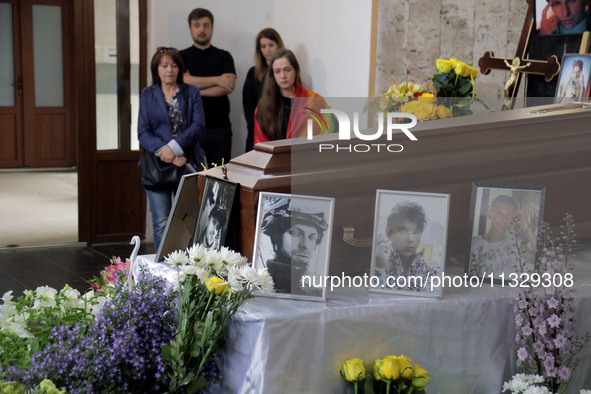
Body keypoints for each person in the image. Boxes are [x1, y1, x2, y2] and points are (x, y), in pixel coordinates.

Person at [138, 47, 205, 253]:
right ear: (156, 69)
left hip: (187, 162)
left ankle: (190, 270)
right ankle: (164, 269)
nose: (169, 70)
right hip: (157, 166)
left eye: (174, 65)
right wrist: (166, 152)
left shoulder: (191, 92)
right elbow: (143, 131)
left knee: (189, 221)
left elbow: (198, 125)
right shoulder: (148, 94)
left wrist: (175, 149)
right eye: (164, 65)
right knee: (161, 222)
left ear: (180, 69)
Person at [180, 8, 236, 167]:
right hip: (189, 128)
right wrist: (218, 79)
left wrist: (192, 84)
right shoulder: (181, 57)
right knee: (191, 180)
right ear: (190, 29)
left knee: (220, 178)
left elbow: (227, 87)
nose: (201, 29)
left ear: (212, 28)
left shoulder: (224, 56)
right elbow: (182, 84)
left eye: (206, 25)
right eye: (197, 25)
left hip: (220, 128)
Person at [254, 49, 335, 144]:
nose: (283, 76)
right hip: (274, 158)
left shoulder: (315, 101)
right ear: (272, 75)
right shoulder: (263, 108)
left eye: (287, 70)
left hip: (309, 156)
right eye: (277, 71)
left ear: (296, 71)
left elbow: (327, 138)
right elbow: (261, 145)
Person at [260, 198, 328, 295]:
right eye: (295, 233)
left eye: (312, 237)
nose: (305, 245)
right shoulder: (256, 287)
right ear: (276, 237)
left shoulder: (316, 292)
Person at [374, 201, 440, 292]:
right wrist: (382, 269)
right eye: (403, 230)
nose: (410, 239)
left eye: (416, 231)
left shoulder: (433, 274)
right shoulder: (376, 265)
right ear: (388, 232)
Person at [470, 195, 535, 278]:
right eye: (499, 213)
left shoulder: (515, 243)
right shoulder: (473, 243)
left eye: (508, 215)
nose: (504, 219)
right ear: (490, 213)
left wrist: (526, 227)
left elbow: (540, 262)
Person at [242, 28, 285, 152]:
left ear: (278, 45)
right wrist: (256, 126)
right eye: (263, 46)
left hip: (280, 131)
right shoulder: (253, 73)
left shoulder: (287, 72)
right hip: (257, 131)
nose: (267, 50)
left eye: (271, 45)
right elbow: (247, 104)